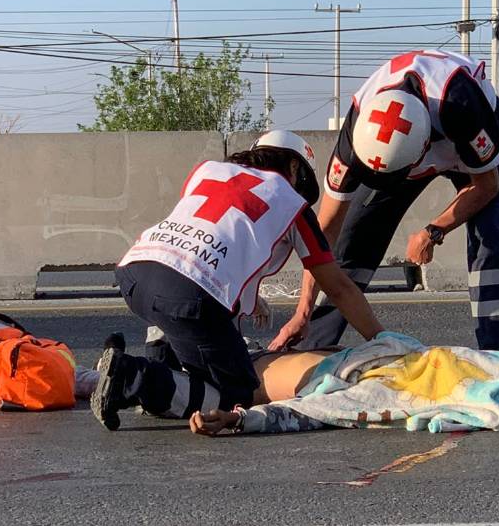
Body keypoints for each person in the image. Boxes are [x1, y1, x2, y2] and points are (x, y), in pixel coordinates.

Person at [90, 130, 384, 431]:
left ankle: (161, 356)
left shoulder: (206, 171)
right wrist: (383, 341)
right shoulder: (292, 205)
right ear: (294, 168)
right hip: (186, 297)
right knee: (238, 395)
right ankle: (132, 377)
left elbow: (210, 236)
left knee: (191, 330)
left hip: (135, 273)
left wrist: (249, 298)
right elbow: (338, 286)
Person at [270, 50, 499, 364]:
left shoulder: (460, 105)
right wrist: (302, 311)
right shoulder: (354, 137)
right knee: (353, 239)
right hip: (403, 143)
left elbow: (487, 187)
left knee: (489, 238)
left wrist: (433, 231)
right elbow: (322, 237)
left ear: (423, 153)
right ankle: (310, 351)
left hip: (469, 137)